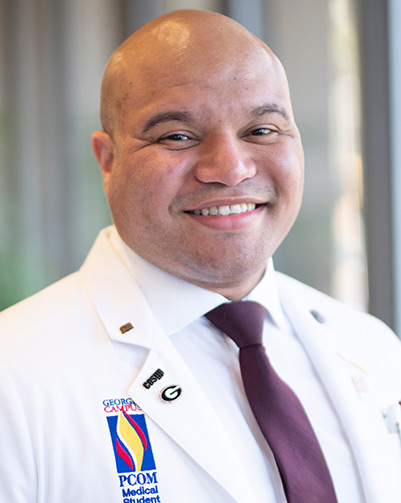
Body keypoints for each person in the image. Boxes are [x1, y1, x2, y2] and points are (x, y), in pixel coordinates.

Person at [0, 9, 401, 503]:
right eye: (177, 136)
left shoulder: (372, 347)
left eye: (262, 130)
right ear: (108, 161)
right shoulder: (14, 378)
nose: (230, 169)